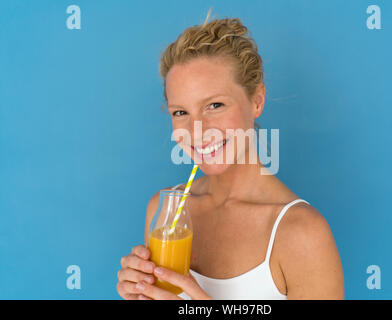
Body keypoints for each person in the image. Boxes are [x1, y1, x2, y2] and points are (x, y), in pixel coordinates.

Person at [116, 9, 344, 300]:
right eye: (181, 112)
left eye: (215, 105)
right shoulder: (163, 212)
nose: (197, 131)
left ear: (256, 101)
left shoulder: (301, 234)